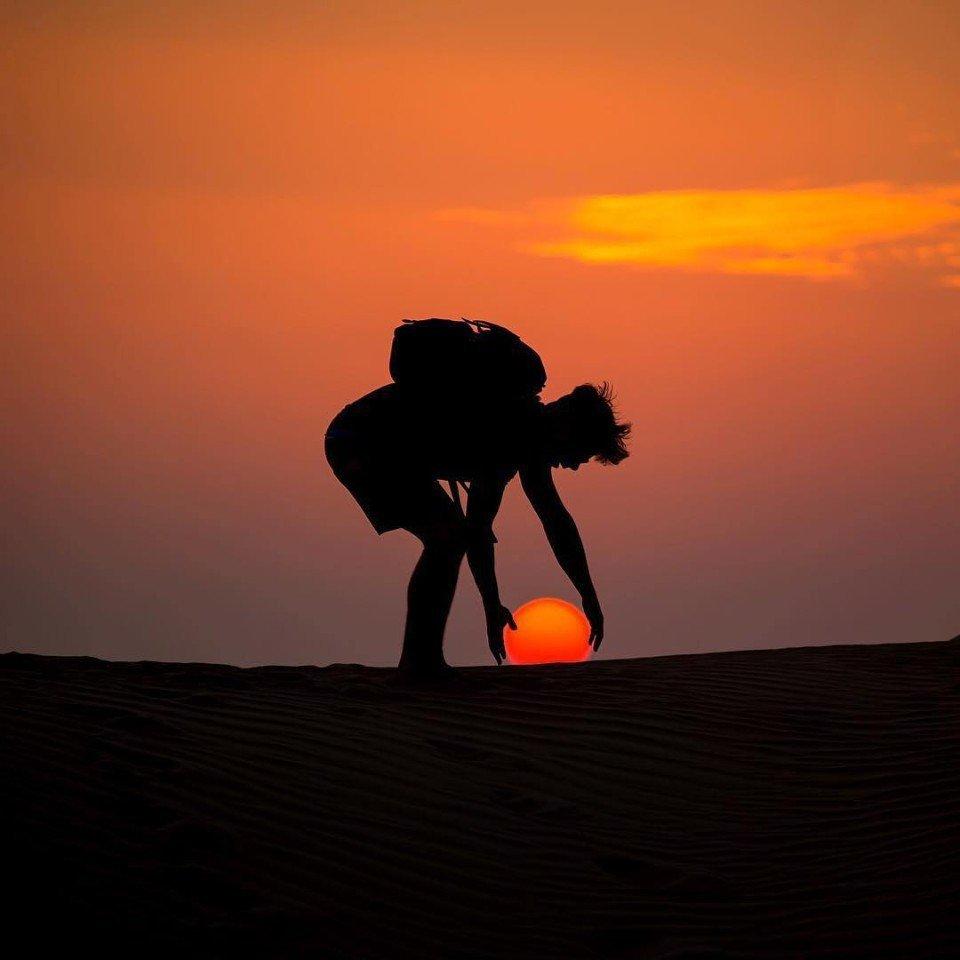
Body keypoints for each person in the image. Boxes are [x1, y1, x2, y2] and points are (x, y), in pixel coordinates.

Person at [325, 378, 630, 678]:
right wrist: (491, 604)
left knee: (449, 537)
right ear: (569, 429)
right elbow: (478, 528)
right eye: (583, 452)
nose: (576, 465)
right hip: (360, 442)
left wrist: (588, 595)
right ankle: (420, 662)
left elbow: (556, 522)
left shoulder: (528, 440)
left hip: (374, 443)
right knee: (448, 539)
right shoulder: (510, 433)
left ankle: (420, 660)